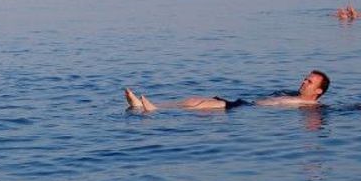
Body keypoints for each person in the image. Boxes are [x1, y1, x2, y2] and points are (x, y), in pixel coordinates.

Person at [125, 70, 330, 112]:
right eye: (304, 78)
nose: (304, 82)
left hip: (245, 108)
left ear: (318, 91)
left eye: (309, 81)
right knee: (193, 98)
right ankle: (151, 105)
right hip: (244, 102)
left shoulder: (309, 105)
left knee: (203, 105)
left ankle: (154, 110)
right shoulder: (294, 96)